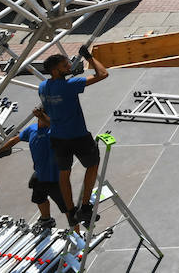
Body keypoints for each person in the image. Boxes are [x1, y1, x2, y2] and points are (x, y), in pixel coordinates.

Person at [39, 46, 109, 227]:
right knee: (93, 164)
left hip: (57, 137)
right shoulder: (69, 85)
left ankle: (70, 211)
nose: (69, 66)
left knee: (64, 173)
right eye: (64, 65)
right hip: (77, 135)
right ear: (55, 70)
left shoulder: (43, 87)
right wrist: (89, 58)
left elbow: (48, 112)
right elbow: (103, 74)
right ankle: (84, 206)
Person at [0, 107, 64, 226]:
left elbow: (58, 129)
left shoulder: (53, 131)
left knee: (66, 207)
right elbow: (15, 140)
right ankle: (46, 219)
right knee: (39, 198)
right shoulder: (31, 129)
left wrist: (41, 116)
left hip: (55, 177)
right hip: (40, 174)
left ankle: (76, 227)